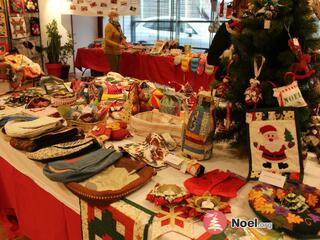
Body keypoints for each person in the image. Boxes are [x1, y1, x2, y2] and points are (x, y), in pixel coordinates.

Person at [207, 0, 250, 67]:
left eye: (251, 9)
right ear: (236, 8)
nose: (247, 12)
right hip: (228, 74)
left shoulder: (258, 31)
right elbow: (211, 59)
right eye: (243, 8)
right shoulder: (227, 27)